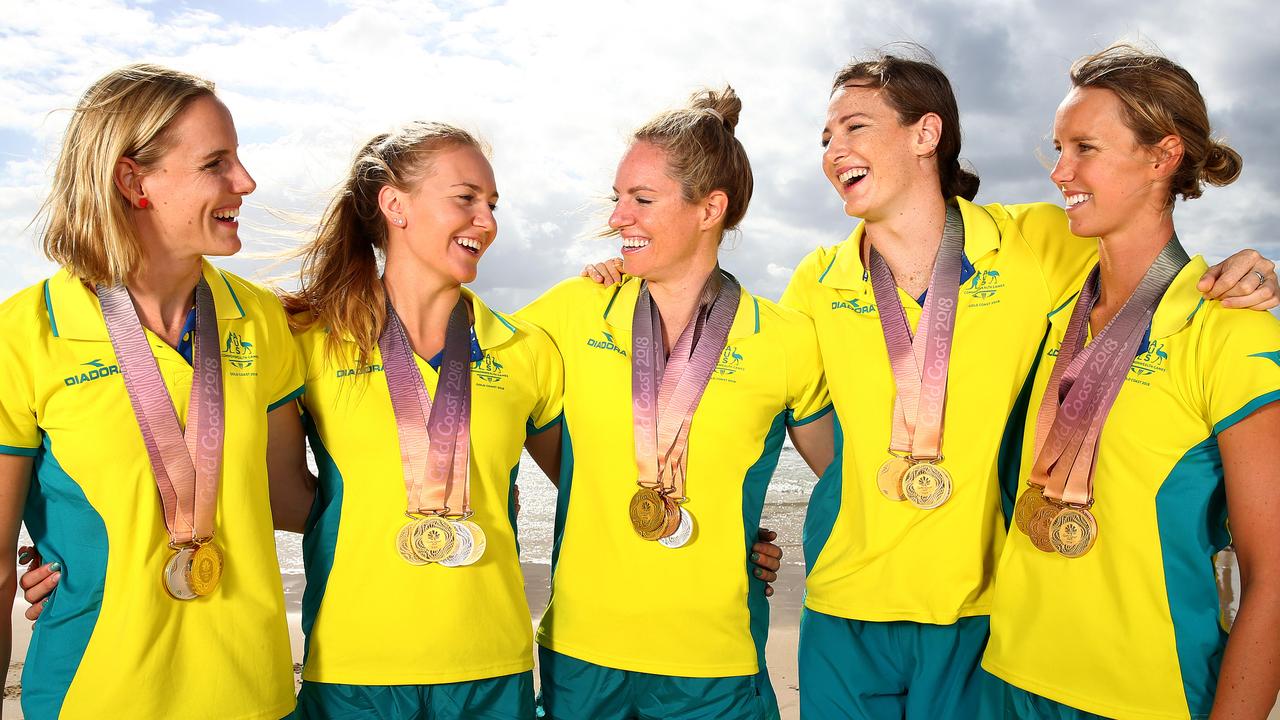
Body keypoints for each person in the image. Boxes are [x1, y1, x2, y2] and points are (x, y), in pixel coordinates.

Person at [983, 44, 1280, 719]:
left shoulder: (1232, 331)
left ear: (1162, 156)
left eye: (1085, 147)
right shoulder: (1052, 315)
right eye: (1058, 148)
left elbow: (1275, 580)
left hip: (1145, 698)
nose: (1060, 172)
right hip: (1007, 680)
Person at [520, 86, 833, 720]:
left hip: (714, 662)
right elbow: (464, 381)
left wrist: (738, 532)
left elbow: (850, 482)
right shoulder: (572, 310)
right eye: (617, 198)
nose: (617, 217)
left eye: (641, 200)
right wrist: (613, 493)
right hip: (582, 651)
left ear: (709, 208)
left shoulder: (787, 339)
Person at [0, 64, 300, 719]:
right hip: (94, 698)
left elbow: (289, 499)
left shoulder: (261, 319)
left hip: (258, 695)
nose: (245, 182)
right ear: (134, 179)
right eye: (216, 163)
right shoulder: (21, 335)